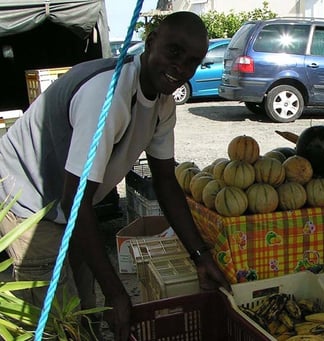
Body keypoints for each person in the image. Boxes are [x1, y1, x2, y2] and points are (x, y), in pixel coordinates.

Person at [0, 11, 229, 340]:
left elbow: (164, 181)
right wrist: (117, 292)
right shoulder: (108, 97)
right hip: (30, 200)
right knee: (55, 321)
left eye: (193, 61)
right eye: (174, 51)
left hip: (70, 204)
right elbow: (75, 201)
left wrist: (200, 256)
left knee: (83, 302)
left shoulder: (163, 103)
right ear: (150, 44)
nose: (181, 67)